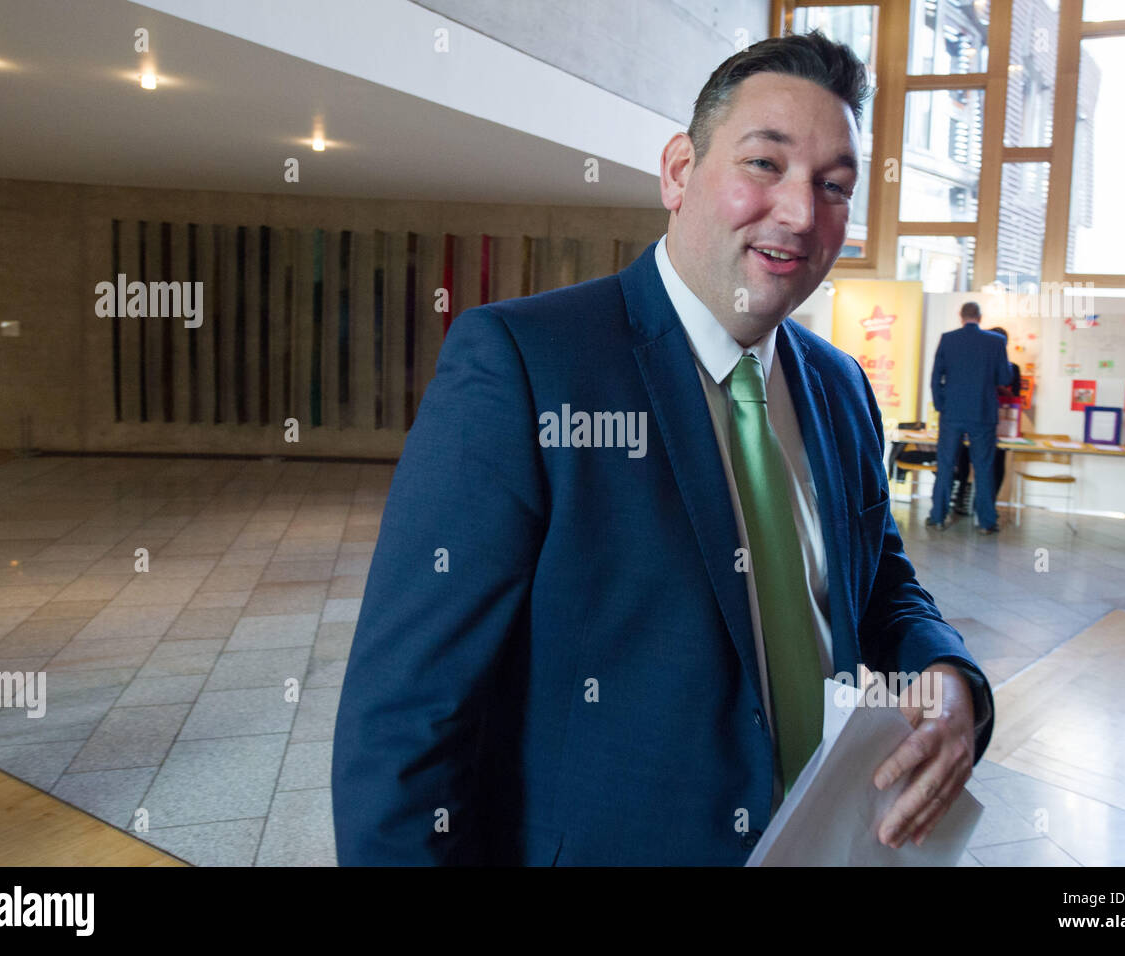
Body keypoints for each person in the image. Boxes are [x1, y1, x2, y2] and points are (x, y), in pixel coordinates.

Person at [332, 31, 993, 866]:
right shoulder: (524, 364)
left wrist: (949, 675)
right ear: (680, 171)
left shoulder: (840, 386)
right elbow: (407, 717)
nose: (800, 212)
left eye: (834, 185)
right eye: (765, 164)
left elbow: (878, 583)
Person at [927, 303, 1012, 534]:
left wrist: (941, 406)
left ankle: (937, 517)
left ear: (961, 316)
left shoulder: (948, 339)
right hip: (983, 413)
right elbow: (1005, 377)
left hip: (952, 413)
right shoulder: (996, 341)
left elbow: (935, 378)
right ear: (980, 317)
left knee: (945, 465)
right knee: (984, 467)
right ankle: (986, 522)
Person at [951, 326, 1021, 515]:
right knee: (963, 457)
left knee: (997, 465)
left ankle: (987, 505)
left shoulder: (1012, 369)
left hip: (1000, 425)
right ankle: (961, 498)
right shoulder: (974, 365)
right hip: (973, 420)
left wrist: (998, 389)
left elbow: (1015, 398)